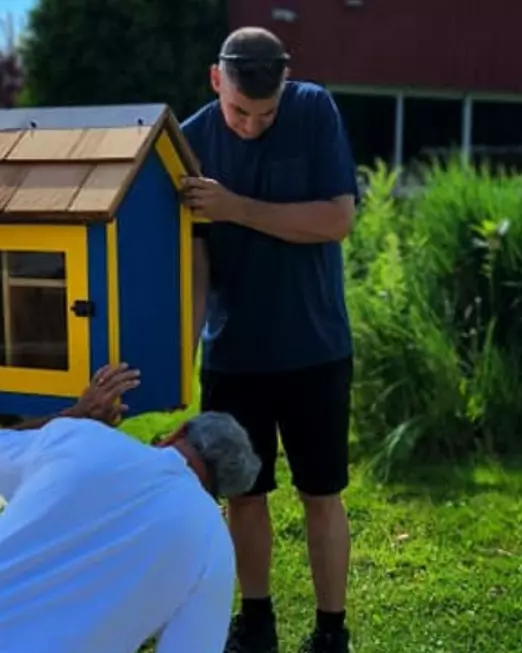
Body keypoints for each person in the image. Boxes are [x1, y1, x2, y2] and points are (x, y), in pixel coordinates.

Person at [0, 363, 262, 653]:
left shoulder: (86, 439)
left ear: (177, 433)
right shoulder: (213, 548)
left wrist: (74, 416)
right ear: (221, 493)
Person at [180, 26, 359, 653]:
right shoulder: (192, 141)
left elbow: (338, 218)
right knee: (243, 496)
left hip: (316, 347)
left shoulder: (313, 109)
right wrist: (186, 347)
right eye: (238, 110)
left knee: (321, 493)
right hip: (234, 355)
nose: (251, 125)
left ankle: (330, 631)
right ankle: (255, 622)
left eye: (264, 112)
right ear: (215, 81)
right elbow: (195, 258)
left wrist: (237, 207)